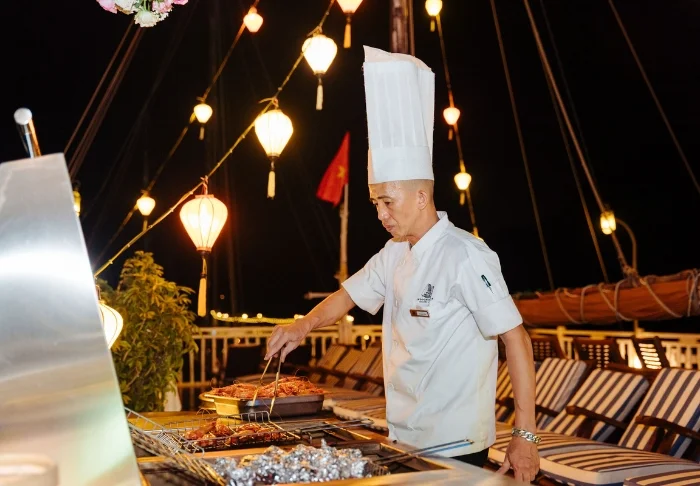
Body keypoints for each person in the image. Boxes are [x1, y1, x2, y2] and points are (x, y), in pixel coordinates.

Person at [266, 46, 540, 482]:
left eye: (388, 202)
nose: (381, 214)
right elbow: (346, 296)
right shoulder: (394, 252)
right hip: (405, 434)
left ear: (422, 196)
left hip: (455, 440)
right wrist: (302, 326)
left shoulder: (465, 254)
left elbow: (516, 339)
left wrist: (525, 435)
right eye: (375, 203)